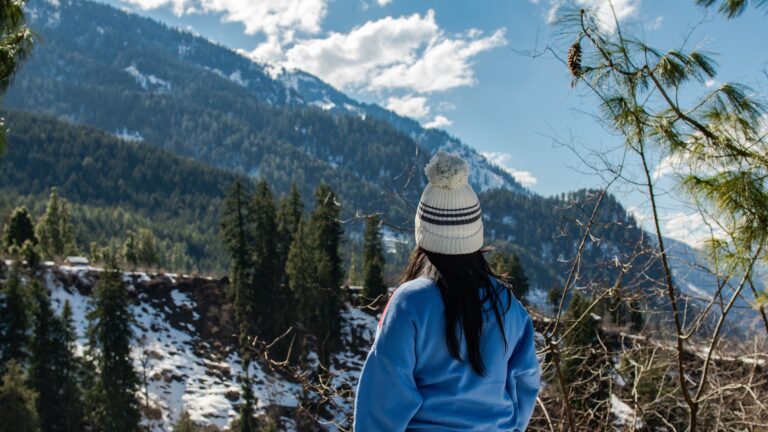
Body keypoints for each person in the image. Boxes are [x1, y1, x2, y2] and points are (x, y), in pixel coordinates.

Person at [354, 151, 541, 431]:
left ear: (423, 233)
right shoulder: (508, 306)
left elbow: (380, 402)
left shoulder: (410, 303)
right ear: (475, 234)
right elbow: (525, 381)